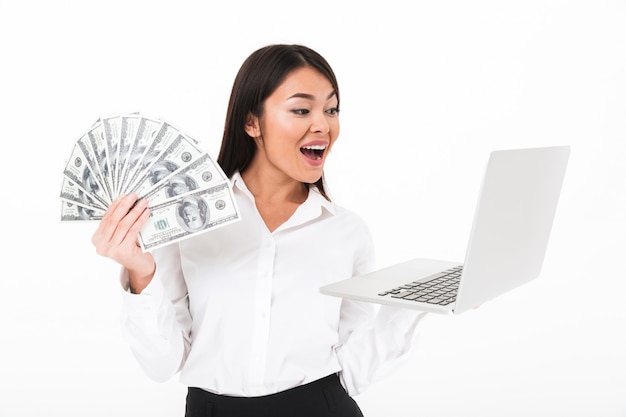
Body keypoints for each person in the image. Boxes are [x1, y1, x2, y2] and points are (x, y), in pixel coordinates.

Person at [92, 44, 427, 417]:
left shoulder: (347, 231)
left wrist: (415, 304)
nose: (323, 125)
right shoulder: (187, 222)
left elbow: (354, 372)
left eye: (331, 110)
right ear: (252, 123)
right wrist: (141, 273)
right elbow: (162, 364)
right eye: (301, 109)